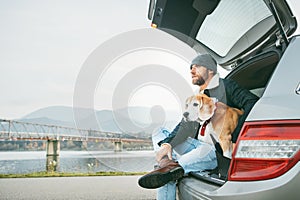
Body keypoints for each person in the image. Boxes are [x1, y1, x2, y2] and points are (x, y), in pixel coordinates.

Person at [138, 54, 259, 200]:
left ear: (210, 70)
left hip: (211, 149)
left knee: (164, 175)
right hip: (196, 144)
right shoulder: (197, 96)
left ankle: (168, 167)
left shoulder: (226, 86)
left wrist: (234, 136)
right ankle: (168, 162)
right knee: (159, 132)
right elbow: (185, 126)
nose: (192, 70)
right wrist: (168, 144)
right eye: (190, 67)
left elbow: (252, 103)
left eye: (197, 66)